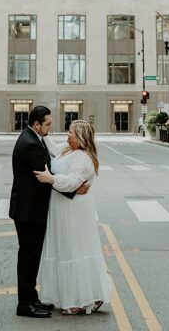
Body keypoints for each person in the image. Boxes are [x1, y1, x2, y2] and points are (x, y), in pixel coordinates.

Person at [10, 105, 84, 319]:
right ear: (37, 124)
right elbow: (47, 174)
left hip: (29, 209)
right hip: (29, 210)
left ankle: (31, 298)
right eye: (48, 124)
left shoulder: (33, 137)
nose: (51, 127)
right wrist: (74, 189)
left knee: (31, 257)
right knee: (28, 257)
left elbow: (54, 156)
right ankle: (25, 304)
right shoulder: (30, 144)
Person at [34, 120, 110, 316]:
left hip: (73, 209)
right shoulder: (67, 148)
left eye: (71, 133)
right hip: (62, 206)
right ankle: (90, 294)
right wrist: (41, 128)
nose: (67, 135)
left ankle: (79, 299)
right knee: (67, 248)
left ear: (81, 138)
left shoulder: (82, 158)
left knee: (74, 249)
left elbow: (73, 182)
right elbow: (51, 146)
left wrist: (51, 178)